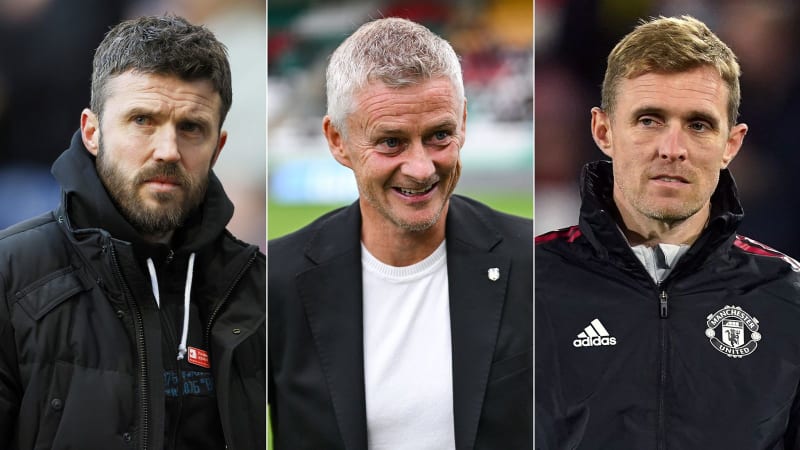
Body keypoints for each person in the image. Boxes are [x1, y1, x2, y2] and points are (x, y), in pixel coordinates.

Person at [0, 15, 265, 449]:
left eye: (191, 128)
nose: (168, 151)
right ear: (92, 132)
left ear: (218, 148)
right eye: (142, 120)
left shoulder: (257, 289)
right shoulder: (10, 276)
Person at [536, 15, 800, 448]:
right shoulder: (528, 287)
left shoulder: (788, 298)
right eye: (649, 120)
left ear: (731, 144)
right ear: (603, 131)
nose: (672, 149)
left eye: (698, 125)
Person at [268, 17, 532, 450]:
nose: (422, 168)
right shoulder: (274, 282)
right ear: (337, 140)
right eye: (391, 142)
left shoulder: (534, 265)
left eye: (440, 135)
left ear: (464, 122)